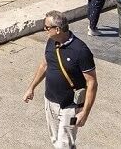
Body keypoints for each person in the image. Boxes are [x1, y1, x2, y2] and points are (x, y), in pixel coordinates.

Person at [23, 11, 98, 149]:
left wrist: (85, 112)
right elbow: (44, 65)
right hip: (50, 102)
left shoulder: (81, 51)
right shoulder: (51, 42)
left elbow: (92, 82)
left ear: (57, 29)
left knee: (64, 145)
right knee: (56, 140)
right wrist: (31, 87)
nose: (44, 30)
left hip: (71, 107)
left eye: (46, 27)